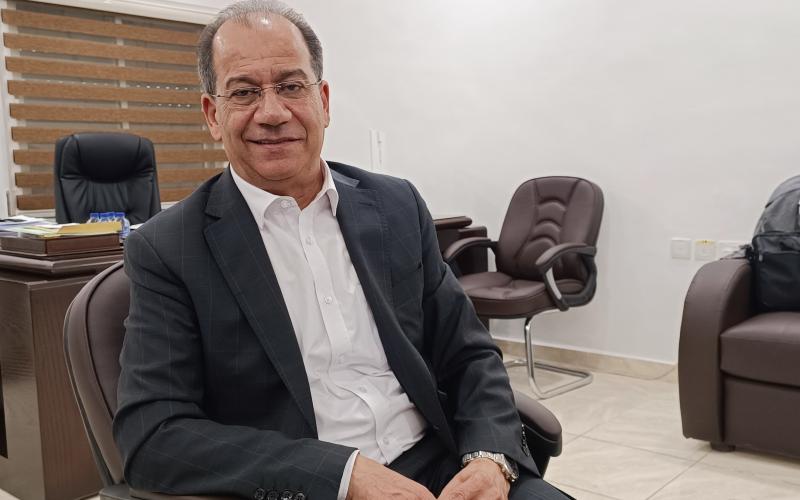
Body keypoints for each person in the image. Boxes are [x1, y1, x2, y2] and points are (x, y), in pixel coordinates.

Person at [113, 1, 570, 499]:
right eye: (244, 92)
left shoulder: (396, 205)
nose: (272, 113)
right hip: (305, 485)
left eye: (291, 86)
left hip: (444, 465)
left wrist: (490, 457)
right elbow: (153, 435)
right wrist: (342, 475)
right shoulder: (168, 248)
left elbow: (469, 353)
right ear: (212, 115)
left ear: (324, 101)